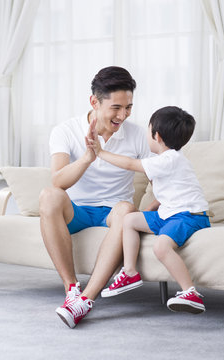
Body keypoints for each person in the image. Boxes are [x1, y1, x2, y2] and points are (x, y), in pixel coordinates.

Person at [39, 66, 150, 328]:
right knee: (49, 196)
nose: (123, 115)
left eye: (129, 107)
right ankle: (71, 289)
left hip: (114, 212)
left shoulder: (137, 134)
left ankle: (86, 300)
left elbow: (160, 174)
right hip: (76, 210)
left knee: (126, 209)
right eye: (116, 108)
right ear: (94, 102)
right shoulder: (65, 130)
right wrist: (90, 157)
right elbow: (58, 181)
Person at [87, 106, 211, 314]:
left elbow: (128, 164)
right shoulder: (165, 162)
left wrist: (100, 152)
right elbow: (165, 197)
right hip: (170, 214)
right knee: (130, 220)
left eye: (148, 130)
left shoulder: (169, 159)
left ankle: (190, 292)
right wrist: (147, 212)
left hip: (189, 216)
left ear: (157, 136)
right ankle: (129, 272)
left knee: (161, 248)